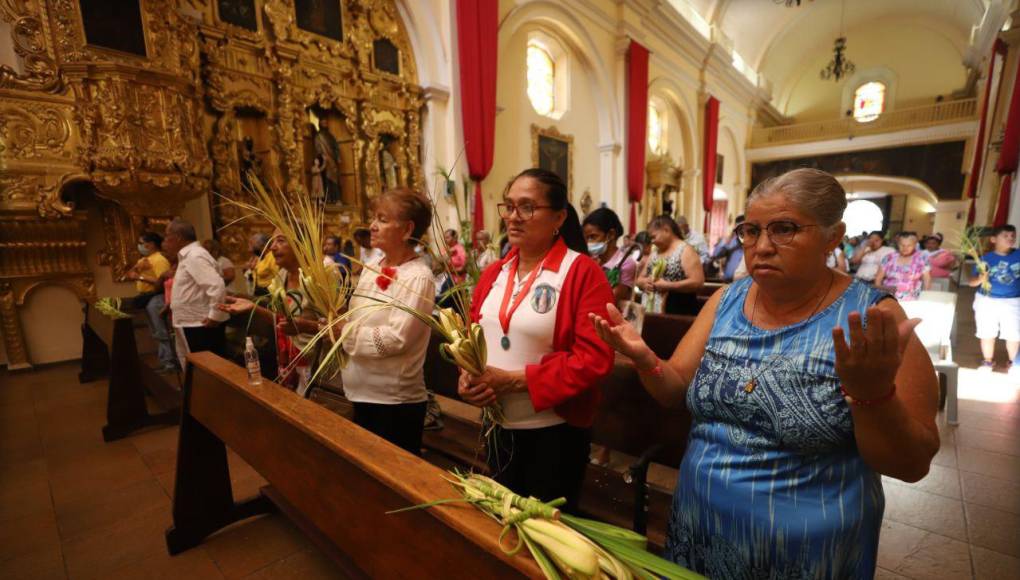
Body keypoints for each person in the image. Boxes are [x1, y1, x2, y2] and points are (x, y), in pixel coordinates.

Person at [590, 168, 939, 577]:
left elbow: (911, 465)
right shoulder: (726, 299)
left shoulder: (873, 316)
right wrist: (645, 359)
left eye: (784, 229)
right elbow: (673, 389)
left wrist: (872, 395)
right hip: (700, 525)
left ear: (832, 235)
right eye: (751, 230)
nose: (762, 247)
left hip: (807, 549)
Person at [457, 168, 615, 512]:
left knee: (544, 535)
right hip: (498, 426)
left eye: (527, 207)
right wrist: (467, 376)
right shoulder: (493, 273)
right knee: (501, 521)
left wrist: (515, 381)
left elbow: (594, 358)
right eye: (509, 206)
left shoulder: (582, 272)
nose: (514, 217)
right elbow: (472, 334)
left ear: (558, 216)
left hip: (554, 433)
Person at [339, 189, 436, 454]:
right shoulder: (373, 267)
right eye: (374, 217)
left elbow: (396, 339)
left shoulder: (418, 277)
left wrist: (344, 334)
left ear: (406, 229)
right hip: (361, 393)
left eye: (382, 219)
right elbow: (356, 318)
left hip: (394, 403)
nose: (372, 225)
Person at [219, 230, 327, 393]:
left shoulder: (319, 279)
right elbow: (282, 321)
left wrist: (306, 326)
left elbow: (337, 328)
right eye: (273, 242)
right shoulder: (281, 275)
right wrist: (253, 307)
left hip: (315, 366)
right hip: (288, 359)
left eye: (281, 241)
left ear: (301, 245)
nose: (272, 248)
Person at [163, 218, 230, 362]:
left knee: (209, 369)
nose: (165, 242)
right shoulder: (190, 255)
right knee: (199, 368)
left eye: (167, 237)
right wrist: (172, 306)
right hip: (193, 322)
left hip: (202, 324)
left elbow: (216, 285)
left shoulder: (195, 255)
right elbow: (191, 289)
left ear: (178, 237)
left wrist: (214, 316)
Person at [968, 224, 1020, 376]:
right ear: (993, 239)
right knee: (986, 332)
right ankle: (988, 361)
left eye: (1012, 236)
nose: (1010, 239)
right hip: (986, 300)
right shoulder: (985, 258)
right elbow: (971, 282)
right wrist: (980, 279)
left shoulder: (1018, 255)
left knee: (1014, 333)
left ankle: (1013, 363)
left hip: (1013, 301)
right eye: (1005, 236)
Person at [125, 232, 176, 373]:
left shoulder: (159, 259)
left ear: (152, 244)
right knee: (156, 331)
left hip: (156, 297)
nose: (140, 246)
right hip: (147, 298)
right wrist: (137, 269)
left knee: (161, 331)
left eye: (142, 243)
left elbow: (164, 281)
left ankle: (171, 363)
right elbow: (129, 274)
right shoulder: (146, 259)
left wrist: (140, 276)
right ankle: (165, 361)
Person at [635, 215, 704, 315]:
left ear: (666, 230)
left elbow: (698, 282)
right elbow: (639, 279)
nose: (652, 242)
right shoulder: (655, 252)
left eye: (654, 237)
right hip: (651, 313)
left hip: (677, 313)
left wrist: (668, 286)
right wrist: (644, 283)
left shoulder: (686, 250)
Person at [582, 207, 638, 307]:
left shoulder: (626, 263)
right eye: (586, 238)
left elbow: (611, 298)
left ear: (611, 235)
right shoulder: (593, 261)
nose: (588, 243)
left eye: (593, 236)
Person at [875, 232, 931, 301]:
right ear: (898, 244)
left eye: (909, 245)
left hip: (912, 298)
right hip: (888, 297)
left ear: (915, 245)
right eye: (902, 245)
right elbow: (878, 279)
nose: (905, 248)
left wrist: (925, 297)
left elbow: (927, 280)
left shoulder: (922, 259)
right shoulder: (889, 257)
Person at [709, 214, 745, 282]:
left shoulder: (752, 242)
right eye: (738, 227)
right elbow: (715, 255)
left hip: (745, 284)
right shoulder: (731, 241)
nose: (741, 230)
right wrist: (727, 239)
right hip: (727, 283)